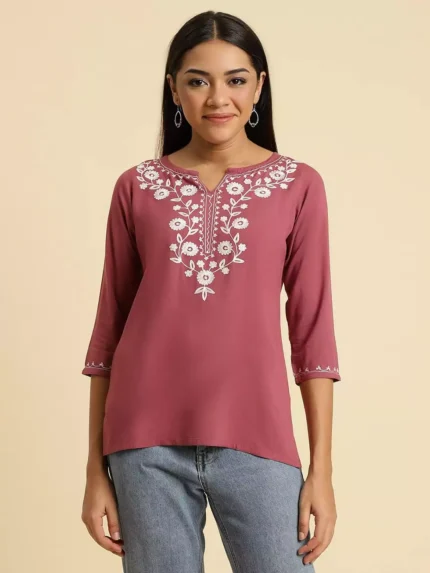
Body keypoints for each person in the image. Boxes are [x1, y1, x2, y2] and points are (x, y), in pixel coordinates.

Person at [80, 10, 342, 573]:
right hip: (143, 444)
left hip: (258, 438)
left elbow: (313, 334)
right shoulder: (137, 187)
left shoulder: (298, 186)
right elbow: (109, 333)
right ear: (174, 89)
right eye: (198, 80)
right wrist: (93, 470)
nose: (218, 98)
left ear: (259, 86)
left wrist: (321, 470)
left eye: (236, 79)